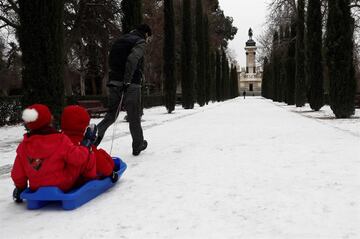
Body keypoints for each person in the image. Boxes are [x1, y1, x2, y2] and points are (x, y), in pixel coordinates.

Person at [11, 104, 97, 202]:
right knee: (87, 154)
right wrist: (86, 144)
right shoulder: (60, 140)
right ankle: (88, 181)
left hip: (36, 186)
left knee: (36, 164)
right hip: (62, 184)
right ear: (49, 120)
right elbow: (78, 158)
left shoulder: (24, 146)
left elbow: (18, 173)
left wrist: (20, 188)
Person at [95, 24, 151, 156]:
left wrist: (116, 77)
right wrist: (127, 80)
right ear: (147, 34)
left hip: (114, 81)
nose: (148, 41)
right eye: (149, 38)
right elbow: (132, 60)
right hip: (131, 83)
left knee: (111, 115)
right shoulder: (140, 41)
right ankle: (138, 145)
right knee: (134, 115)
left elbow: (111, 59)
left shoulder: (121, 40)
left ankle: (93, 138)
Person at [61, 105, 118, 181]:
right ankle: (113, 166)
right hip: (80, 177)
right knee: (99, 153)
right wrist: (111, 173)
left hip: (63, 174)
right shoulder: (83, 144)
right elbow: (99, 161)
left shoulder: (59, 140)